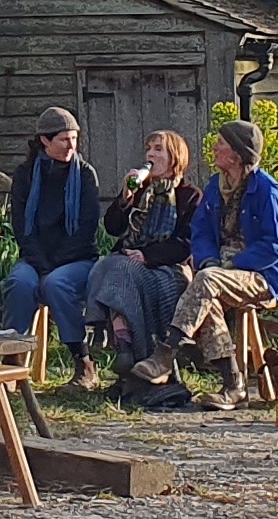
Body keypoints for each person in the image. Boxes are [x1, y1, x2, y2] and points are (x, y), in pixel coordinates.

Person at [169, 120, 278, 399]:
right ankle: (233, 384)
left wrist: (233, 264)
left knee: (207, 282)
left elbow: (277, 244)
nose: (214, 148)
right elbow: (200, 231)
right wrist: (208, 260)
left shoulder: (266, 190)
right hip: (219, 273)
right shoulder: (215, 186)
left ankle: (166, 352)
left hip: (262, 276)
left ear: (237, 156)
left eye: (221, 144)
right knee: (205, 289)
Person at [84, 130, 199, 389]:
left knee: (115, 268)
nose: (150, 154)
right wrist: (125, 197)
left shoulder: (190, 195)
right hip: (129, 262)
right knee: (111, 266)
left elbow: (186, 243)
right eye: (148, 148)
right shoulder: (141, 189)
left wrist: (147, 255)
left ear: (174, 157)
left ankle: (122, 343)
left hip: (168, 266)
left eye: (158, 149)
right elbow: (112, 227)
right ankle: (125, 348)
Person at [0, 107, 106, 361]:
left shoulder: (85, 174)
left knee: (57, 284)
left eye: (74, 138)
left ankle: (82, 360)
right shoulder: (25, 174)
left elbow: (87, 228)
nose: (71, 146)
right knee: (19, 283)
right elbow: (22, 228)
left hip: (77, 258)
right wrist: (42, 264)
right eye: (64, 139)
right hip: (36, 259)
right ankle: (12, 358)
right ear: (45, 140)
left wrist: (53, 266)